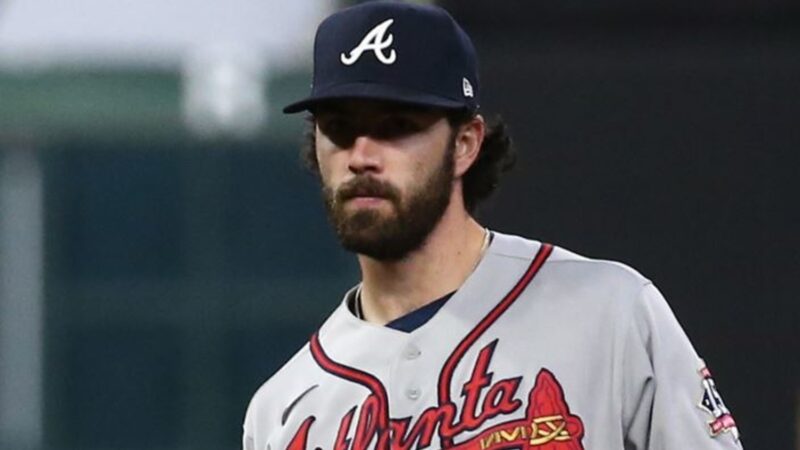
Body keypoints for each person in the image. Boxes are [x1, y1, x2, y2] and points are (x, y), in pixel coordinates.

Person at [243, 2, 742, 449]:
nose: (362, 156)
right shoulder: (283, 412)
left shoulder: (609, 313)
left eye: (396, 127)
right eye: (340, 129)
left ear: (465, 144)